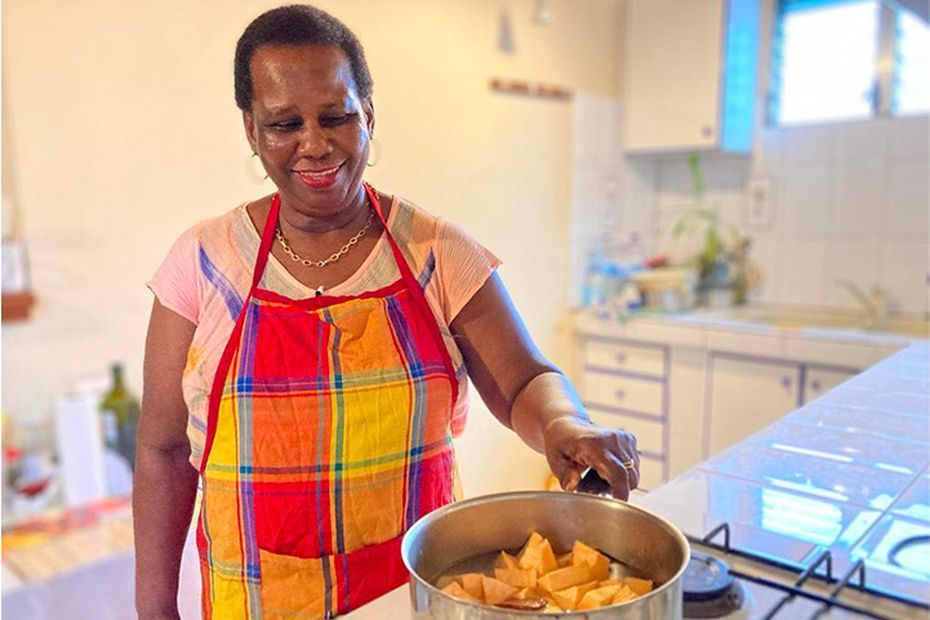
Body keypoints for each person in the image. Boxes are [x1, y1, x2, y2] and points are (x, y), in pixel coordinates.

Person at [133, 5, 640, 619]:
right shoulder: (203, 263)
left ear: (368, 116)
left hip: (413, 598)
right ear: (251, 130)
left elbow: (526, 379)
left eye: (336, 117)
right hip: (256, 601)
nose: (314, 144)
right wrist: (154, 608)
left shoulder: (437, 252)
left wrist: (566, 426)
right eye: (284, 123)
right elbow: (162, 452)